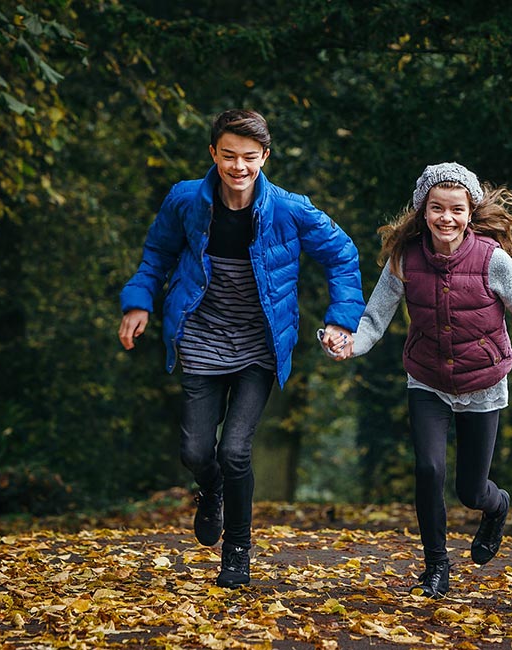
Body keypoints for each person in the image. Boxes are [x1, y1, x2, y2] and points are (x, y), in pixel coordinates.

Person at [118, 109, 365, 588]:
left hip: (259, 345)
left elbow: (343, 254)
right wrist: (138, 303)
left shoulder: (291, 209)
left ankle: (237, 552)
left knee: (235, 450)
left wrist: (339, 319)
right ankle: (208, 490)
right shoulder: (186, 200)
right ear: (213, 153)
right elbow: (157, 255)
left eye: (249, 158)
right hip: (201, 337)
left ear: (265, 157)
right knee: (195, 452)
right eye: (228, 156)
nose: (238, 167)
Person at [324, 162, 512, 599]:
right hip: (427, 379)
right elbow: (374, 318)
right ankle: (436, 566)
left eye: (457, 209)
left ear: (470, 212)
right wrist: (351, 344)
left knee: (470, 490)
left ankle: (496, 506)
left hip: (483, 382)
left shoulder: (491, 258)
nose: (447, 218)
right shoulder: (405, 260)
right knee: (428, 469)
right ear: (422, 212)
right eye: (437, 208)